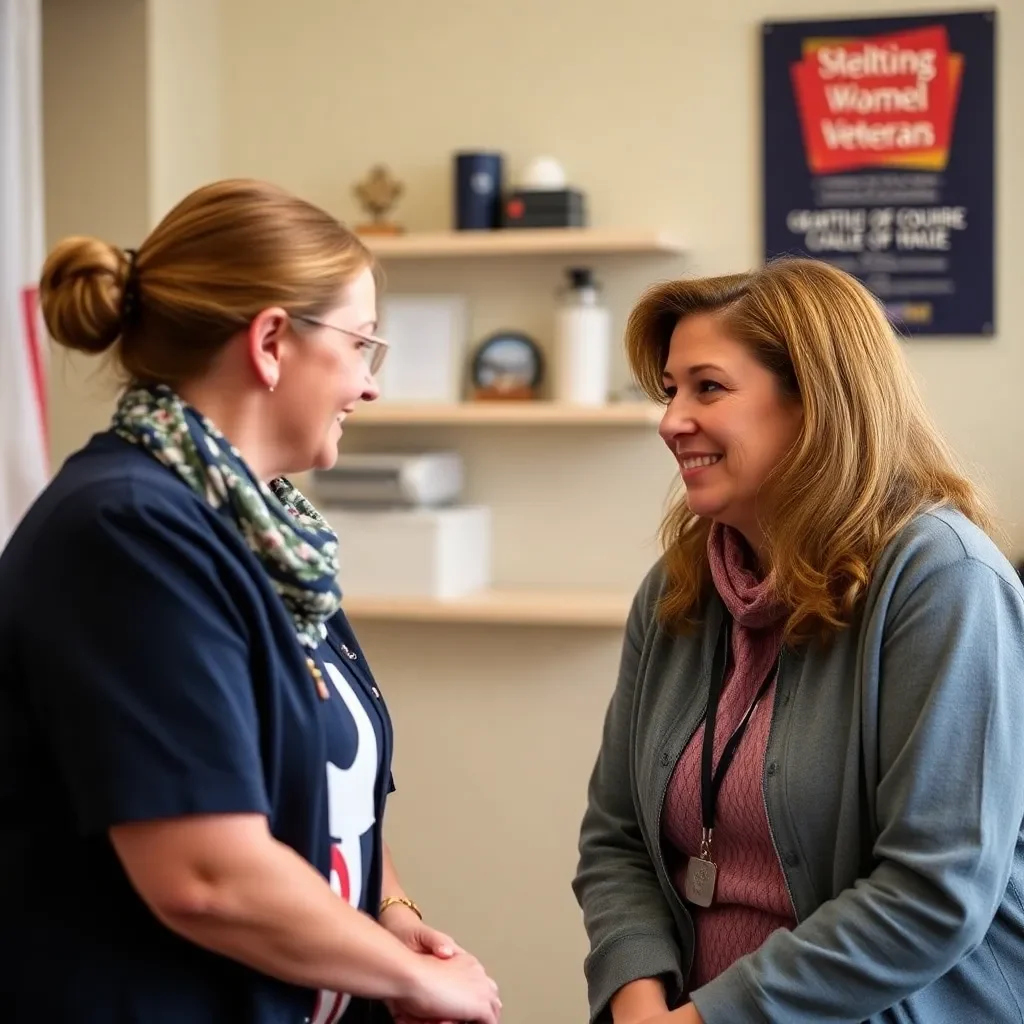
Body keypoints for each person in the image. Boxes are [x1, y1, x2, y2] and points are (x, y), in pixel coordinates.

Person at [0, 178, 502, 1024]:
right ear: (271, 342)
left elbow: (322, 792)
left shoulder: (265, 532)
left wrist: (391, 921)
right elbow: (206, 875)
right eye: (361, 346)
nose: (369, 386)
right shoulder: (128, 533)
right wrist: (409, 977)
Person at [571, 257, 1024, 1024]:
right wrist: (641, 1001)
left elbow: (931, 894)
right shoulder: (677, 588)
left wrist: (705, 1021)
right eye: (671, 389)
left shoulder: (943, 579)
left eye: (707, 387)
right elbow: (616, 841)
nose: (671, 419)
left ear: (816, 401)